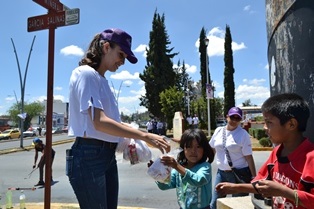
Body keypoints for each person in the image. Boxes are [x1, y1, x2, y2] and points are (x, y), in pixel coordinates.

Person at [67, 28, 170, 209]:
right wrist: (144, 136)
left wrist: (145, 135)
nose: (122, 62)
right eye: (120, 55)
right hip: (89, 154)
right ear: (106, 47)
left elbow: (110, 122)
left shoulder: (101, 80)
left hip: (105, 155)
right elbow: (99, 122)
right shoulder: (86, 74)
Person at [215, 93, 314, 209]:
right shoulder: (276, 153)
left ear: (291, 124)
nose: (264, 128)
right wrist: (236, 188)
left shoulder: (310, 158)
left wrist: (284, 192)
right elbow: (262, 184)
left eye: (269, 123)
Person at [150, 129, 215, 209]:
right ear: (183, 149)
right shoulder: (178, 168)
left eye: (198, 147)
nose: (193, 151)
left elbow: (199, 180)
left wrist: (177, 166)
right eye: (189, 147)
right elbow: (166, 185)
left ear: (204, 149)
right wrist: (157, 172)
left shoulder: (205, 166)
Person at [209, 106, 256, 209]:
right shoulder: (218, 131)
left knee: (238, 206)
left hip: (239, 174)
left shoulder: (243, 134)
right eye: (232, 117)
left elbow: (248, 157)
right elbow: (212, 149)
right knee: (214, 204)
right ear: (227, 117)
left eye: (237, 118)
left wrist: (254, 177)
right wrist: (204, 163)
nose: (234, 120)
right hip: (221, 174)